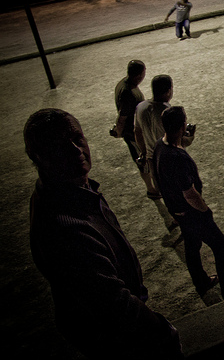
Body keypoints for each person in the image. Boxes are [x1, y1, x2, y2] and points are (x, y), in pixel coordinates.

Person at [24, 108, 183, 359]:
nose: (76, 150)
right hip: (114, 338)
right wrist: (164, 332)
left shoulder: (75, 189)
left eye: (77, 138)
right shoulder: (66, 227)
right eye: (59, 146)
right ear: (38, 156)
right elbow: (112, 304)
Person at [152, 106, 224, 299]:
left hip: (177, 210)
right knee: (222, 247)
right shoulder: (177, 157)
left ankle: (200, 281)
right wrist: (205, 211)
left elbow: (156, 177)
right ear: (183, 125)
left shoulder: (160, 145)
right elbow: (190, 193)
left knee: (192, 245)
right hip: (191, 212)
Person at [113, 60, 158, 198]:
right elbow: (123, 116)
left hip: (134, 131)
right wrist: (119, 131)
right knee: (143, 160)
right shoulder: (129, 93)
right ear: (140, 74)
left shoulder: (123, 83)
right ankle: (151, 189)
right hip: (133, 133)